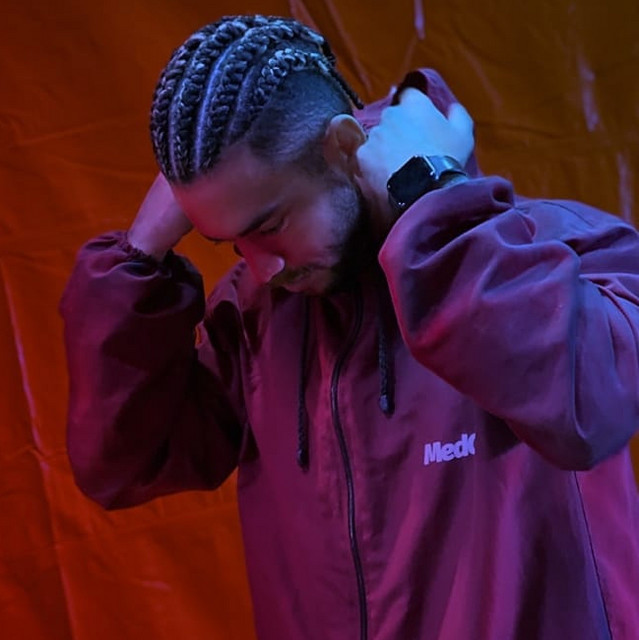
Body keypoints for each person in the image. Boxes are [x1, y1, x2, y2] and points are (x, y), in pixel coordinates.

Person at [60, 14, 639, 640]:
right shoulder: (258, 318)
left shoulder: (563, 250)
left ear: (342, 146)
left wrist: (431, 202)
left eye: (270, 225)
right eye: (229, 243)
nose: (263, 266)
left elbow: (588, 407)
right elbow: (124, 464)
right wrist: (140, 255)